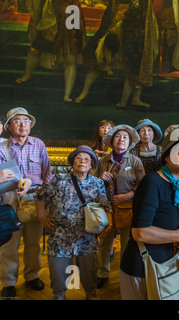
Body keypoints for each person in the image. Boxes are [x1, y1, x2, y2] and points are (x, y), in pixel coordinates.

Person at [119, 127, 179, 300]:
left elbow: (177, 206)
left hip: (165, 262)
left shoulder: (175, 183)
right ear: (166, 156)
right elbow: (140, 232)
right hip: (142, 266)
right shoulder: (153, 181)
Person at [35, 145, 112, 300]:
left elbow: (106, 205)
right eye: (78, 158)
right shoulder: (60, 179)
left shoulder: (97, 183)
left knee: (89, 278)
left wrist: (109, 226)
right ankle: (59, 295)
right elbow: (39, 195)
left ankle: (91, 295)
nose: (82, 161)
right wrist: (42, 216)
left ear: (91, 165)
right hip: (59, 237)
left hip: (86, 238)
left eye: (86, 159)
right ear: (72, 162)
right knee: (57, 278)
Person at [0, 107, 53, 299]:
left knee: (34, 243)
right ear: (8, 126)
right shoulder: (2, 146)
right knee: (9, 245)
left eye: (26, 120)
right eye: (18, 121)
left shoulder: (38, 144)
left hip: (35, 198)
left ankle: (32, 276)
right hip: (10, 198)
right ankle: (8, 283)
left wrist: (46, 198)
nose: (23, 124)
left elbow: (47, 174)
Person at [94, 124, 145, 289]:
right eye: (117, 136)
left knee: (126, 244)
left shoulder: (135, 161)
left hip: (127, 208)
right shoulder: (102, 161)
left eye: (125, 137)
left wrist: (128, 195)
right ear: (112, 140)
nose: (121, 139)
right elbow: (91, 184)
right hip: (106, 209)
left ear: (129, 142)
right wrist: (100, 178)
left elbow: (143, 185)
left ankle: (125, 276)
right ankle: (102, 274)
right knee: (103, 244)